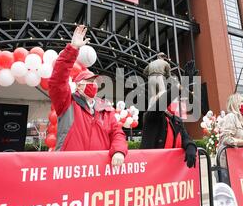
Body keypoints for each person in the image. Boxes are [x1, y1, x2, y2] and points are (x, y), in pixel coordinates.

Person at [49, 25, 128, 168]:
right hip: (70, 169)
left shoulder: (106, 108)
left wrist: (119, 151)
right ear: (78, 85)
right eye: (89, 81)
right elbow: (57, 80)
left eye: (95, 82)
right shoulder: (67, 102)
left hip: (98, 171)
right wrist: (72, 49)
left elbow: (117, 133)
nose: (94, 84)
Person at [141, 84, 197, 168]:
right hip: (152, 166)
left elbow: (186, 138)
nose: (173, 102)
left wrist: (191, 147)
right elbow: (160, 106)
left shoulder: (177, 120)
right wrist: (176, 89)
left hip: (170, 168)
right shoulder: (151, 117)